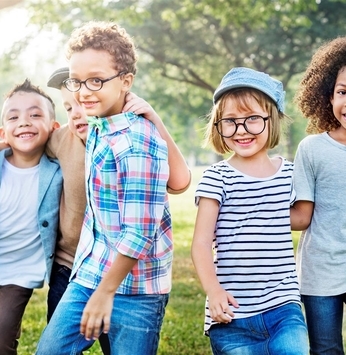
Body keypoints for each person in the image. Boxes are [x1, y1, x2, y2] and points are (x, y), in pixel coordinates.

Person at [36, 21, 179, 355]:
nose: (83, 91)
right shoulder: (99, 125)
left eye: (96, 80)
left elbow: (139, 233)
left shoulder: (138, 141)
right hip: (90, 272)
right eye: (77, 81)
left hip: (136, 289)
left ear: (126, 81)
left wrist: (105, 293)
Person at [191, 67, 309, 355]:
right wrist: (214, 291)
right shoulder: (217, 177)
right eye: (230, 121)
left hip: (283, 306)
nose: (241, 130)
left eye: (253, 119)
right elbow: (201, 243)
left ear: (272, 119)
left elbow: (301, 219)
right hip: (232, 314)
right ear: (218, 125)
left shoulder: (291, 174)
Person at [0, 79, 62, 355]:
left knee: (1, 332)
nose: (24, 122)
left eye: (35, 115)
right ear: (4, 131)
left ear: (54, 128)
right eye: (14, 117)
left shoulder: (59, 171)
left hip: (17, 274)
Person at [293, 36, 346, 354]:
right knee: (326, 349)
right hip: (320, 271)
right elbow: (301, 216)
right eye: (343, 92)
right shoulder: (312, 148)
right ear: (328, 95)